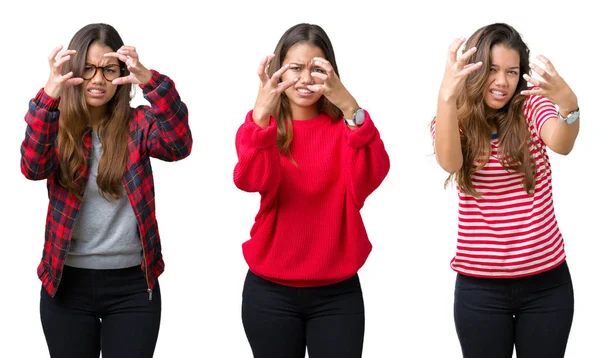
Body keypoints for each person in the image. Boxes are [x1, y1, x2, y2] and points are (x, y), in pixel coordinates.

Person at [20, 23, 192, 358]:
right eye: (88, 69)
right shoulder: (54, 122)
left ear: (121, 74)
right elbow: (32, 167)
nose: (98, 80)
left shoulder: (138, 124)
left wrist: (150, 81)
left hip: (132, 287)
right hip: (66, 285)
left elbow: (179, 144)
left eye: (108, 69)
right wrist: (48, 96)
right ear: (73, 72)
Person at [233, 23, 390, 358]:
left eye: (316, 69)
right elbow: (249, 180)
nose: (305, 80)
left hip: (337, 294)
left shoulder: (348, 128)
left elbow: (373, 175)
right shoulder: (262, 128)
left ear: (331, 73)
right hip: (269, 292)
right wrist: (261, 115)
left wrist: (351, 107)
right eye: (295, 69)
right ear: (278, 72)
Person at [432, 23, 579, 358]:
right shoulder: (453, 117)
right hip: (479, 291)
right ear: (473, 71)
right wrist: (446, 94)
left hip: (547, 286)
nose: (502, 82)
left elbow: (562, 143)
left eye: (511, 72)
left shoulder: (530, 108)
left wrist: (569, 105)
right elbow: (449, 162)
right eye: (492, 70)